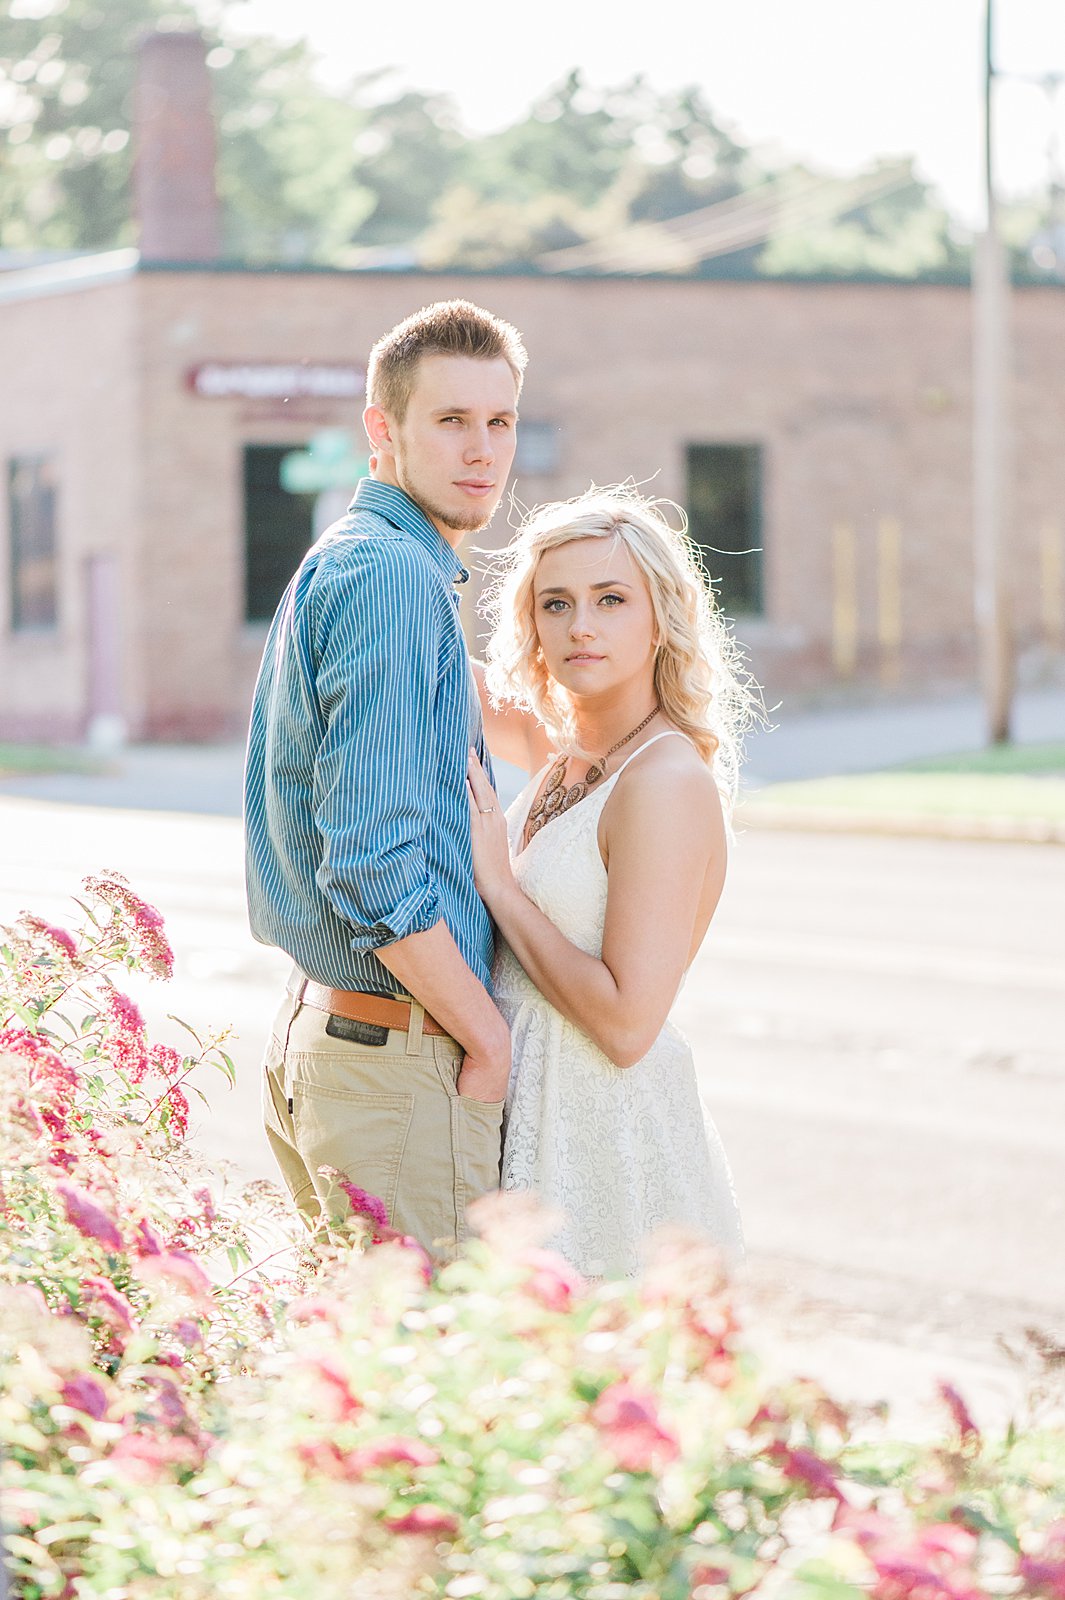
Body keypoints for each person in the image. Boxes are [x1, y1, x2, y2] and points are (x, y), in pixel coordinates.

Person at [244, 299, 538, 1258]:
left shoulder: (369, 562)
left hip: (345, 1052)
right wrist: (486, 1040)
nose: (481, 451)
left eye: (499, 422)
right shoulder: (390, 580)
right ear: (384, 429)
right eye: (451, 421)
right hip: (397, 1062)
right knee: (434, 1381)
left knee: (366, 1384)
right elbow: (372, 861)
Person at [466, 486, 759, 1278]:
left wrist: (501, 887)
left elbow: (629, 1026)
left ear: (660, 617)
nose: (580, 626)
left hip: (605, 1138)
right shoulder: (570, 750)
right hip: (534, 1115)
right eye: (554, 604)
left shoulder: (663, 779)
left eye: (610, 600)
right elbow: (436, 670)